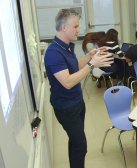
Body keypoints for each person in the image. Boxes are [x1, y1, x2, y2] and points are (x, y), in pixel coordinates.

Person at [44, 9, 113, 168]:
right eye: (75, 26)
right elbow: (67, 82)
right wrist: (91, 64)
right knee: (80, 145)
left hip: (76, 102)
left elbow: (74, 67)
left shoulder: (66, 47)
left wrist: (90, 56)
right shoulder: (53, 52)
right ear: (63, 28)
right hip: (66, 107)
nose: (78, 30)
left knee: (75, 143)